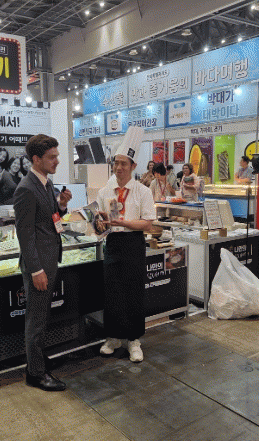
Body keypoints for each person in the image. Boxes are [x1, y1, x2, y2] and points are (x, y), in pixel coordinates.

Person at [12, 134, 72, 392]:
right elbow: (25, 234)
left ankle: (38, 361)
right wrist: (36, 269)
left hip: (49, 260)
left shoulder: (46, 183)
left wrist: (62, 205)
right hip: (39, 265)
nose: (57, 161)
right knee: (36, 320)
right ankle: (35, 373)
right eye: (52, 157)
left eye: (57, 156)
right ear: (36, 159)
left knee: (42, 316)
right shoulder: (26, 189)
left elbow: (50, 218)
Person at [97, 126, 156, 363]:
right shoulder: (105, 191)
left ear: (133, 166)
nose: (119, 167)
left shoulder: (142, 192)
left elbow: (147, 224)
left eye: (124, 163)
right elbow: (102, 222)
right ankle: (113, 337)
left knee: (133, 291)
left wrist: (122, 222)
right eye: (116, 163)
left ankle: (134, 340)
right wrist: (100, 223)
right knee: (112, 291)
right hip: (112, 243)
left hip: (133, 244)